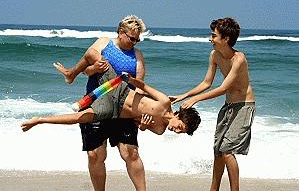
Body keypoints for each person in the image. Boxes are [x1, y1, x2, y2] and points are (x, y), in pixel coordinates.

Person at [55, 15, 147, 191]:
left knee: (131, 153)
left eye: (137, 39)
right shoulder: (104, 43)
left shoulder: (137, 56)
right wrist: (94, 69)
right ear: (121, 32)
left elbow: (140, 87)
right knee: (95, 155)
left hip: (123, 109)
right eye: (132, 38)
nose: (135, 42)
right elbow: (87, 70)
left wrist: (139, 114)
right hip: (97, 104)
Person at [170, 17, 255, 191]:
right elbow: (206, 83)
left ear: (226, 39)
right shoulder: (215, 54)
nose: (210, 39)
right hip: (229, 106)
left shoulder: (239, 59)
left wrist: (196, 99)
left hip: (244, 106)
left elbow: (224, 88)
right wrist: (184, 95)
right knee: (218, 150)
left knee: (227, 150)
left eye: (214, 35)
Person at [21, 65, 201, 136]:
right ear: (180, 116)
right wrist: (130, 80)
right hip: (119, 88)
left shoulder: (159, 129)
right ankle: (72, 73)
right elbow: (144, 86)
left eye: (180, 132)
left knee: (81, 118)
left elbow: (137, 123)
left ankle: (39, 120)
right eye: (180, 127)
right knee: (98, 58)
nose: (176, 131)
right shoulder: (163, 102)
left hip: (114, 109)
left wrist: (143, 127)